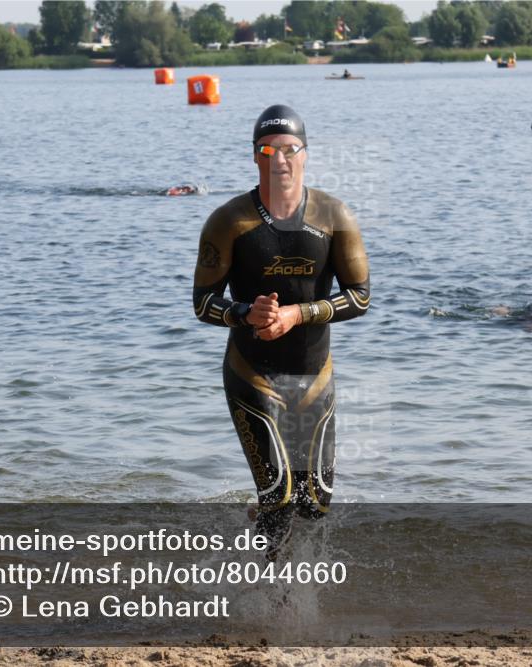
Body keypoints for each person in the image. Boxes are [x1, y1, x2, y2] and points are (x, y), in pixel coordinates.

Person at [192, 104, 370, 559]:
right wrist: (245, 313)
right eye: (269, 150)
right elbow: (203, 303)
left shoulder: (334, 215)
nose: (281, 160)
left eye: (290, 149)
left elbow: (360, 297)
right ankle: (270, 595)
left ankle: (267, 535)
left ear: (305, 153)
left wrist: (297, 314)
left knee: (315, 505)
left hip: (314, 376)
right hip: (252, 372)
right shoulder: (229, 221)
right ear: (255, 156)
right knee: (279, 497)